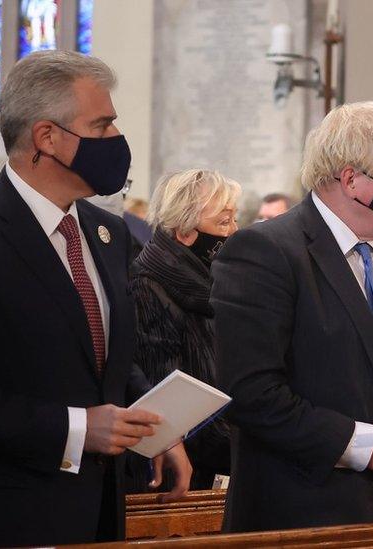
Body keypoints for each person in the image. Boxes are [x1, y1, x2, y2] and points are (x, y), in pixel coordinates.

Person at [0, 50, 191, 547]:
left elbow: (105, 358)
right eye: (102, 127)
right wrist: (76, 429)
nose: (117, 141)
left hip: (93, 514)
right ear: (46, 137)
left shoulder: (107, 233)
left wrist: (155, 428)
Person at [211, 101, 373, 532]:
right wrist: (365, 445)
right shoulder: (266, 251)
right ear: (351, 180)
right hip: (304, 512)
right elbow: (250, 392)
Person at [131, 168, 240, 490]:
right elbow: (166, 402)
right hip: (183, 471)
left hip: (224, 455)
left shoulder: (216, 284)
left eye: (235, 220)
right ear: (185, 232)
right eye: (223, 223)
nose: (235, 232)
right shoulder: (147, 288)